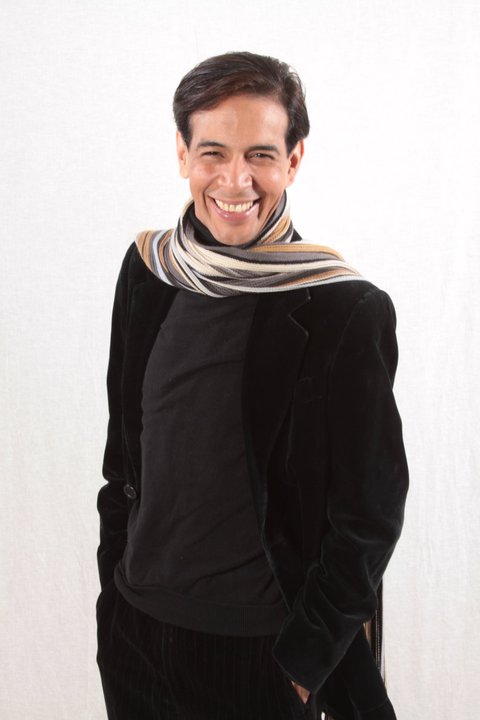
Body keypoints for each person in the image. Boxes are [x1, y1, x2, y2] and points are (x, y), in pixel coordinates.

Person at [96, 51, 408, 720]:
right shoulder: (148, 271)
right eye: (213, 152)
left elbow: (369, 515)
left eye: (260, 155)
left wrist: (301, 665)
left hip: (259, 655)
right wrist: (111, 601)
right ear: (183, 154)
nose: (235, 180)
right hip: (135, 636)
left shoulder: (343, 310)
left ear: (293, 161)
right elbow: (123, 457)